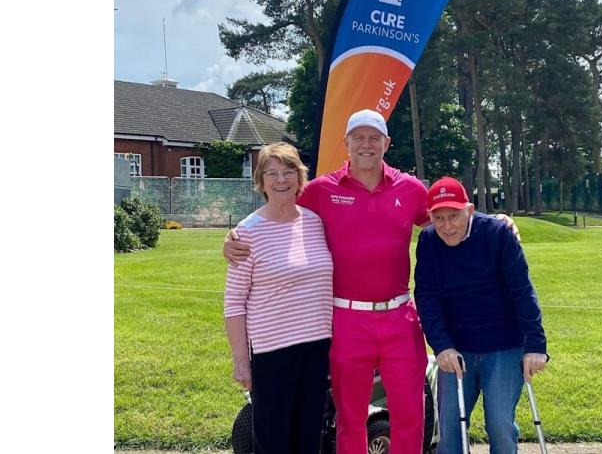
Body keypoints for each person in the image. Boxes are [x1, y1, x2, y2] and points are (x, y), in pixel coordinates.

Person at [225, 110, 521, 454]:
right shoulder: (322, 190)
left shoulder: (409, 188)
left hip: (399, 317)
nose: (366, 145)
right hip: (347, 320)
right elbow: (279, 208)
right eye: (359, 138)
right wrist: (234, 237)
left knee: (411, 413)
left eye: (374, 138)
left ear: (386, 143)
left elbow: (446, 217)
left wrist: (492, 221)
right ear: (346, 143)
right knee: (350, 417)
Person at [413, 176, 549, 454]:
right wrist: (441, 345)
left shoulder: (498, 234)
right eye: (439, 218)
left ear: (470, 210)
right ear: (430, 217)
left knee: (499, 425)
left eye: (454, 215)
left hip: (504, 344)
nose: (447, 226)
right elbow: (426, 297)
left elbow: (522, 291)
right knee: (450, 430)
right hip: (457, 348)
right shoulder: (428, 241)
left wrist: (536, 345)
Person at [223, 142, 334, 454]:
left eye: (288, 172)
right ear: (261, 181)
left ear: (300, 178)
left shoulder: (315, 222)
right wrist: (241, 360)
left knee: (309, 436)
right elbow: (234, 303)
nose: (281, 180)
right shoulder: (246, 233)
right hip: (273, 352)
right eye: (271, 174)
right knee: (272, 440)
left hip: (317, 348)